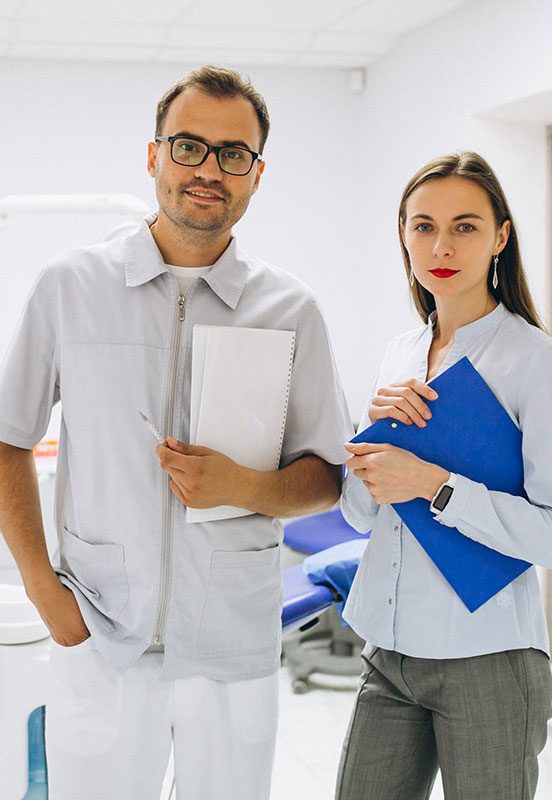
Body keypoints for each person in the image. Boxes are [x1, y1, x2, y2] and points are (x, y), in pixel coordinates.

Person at [0, 66, 352, 800]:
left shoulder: (291, 309)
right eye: (189, 146)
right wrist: (41, 587)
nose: (208, 170)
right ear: (153, 155)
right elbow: (8, 437)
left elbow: (327, 475)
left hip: (232, 645)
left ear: (256, 175)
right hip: (101, 634)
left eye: (233, 154)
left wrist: (244, 486)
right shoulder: (70, 287)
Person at [335, 152, 552, 800]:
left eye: (466, 226)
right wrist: (368, 458)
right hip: (388, 655)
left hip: (488, 660)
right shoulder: (400, 352)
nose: (441, 245)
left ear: (501, 236)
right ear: (403, 234)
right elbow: (360, 516)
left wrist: (435, 485)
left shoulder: (538, 362)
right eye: (423, 226)